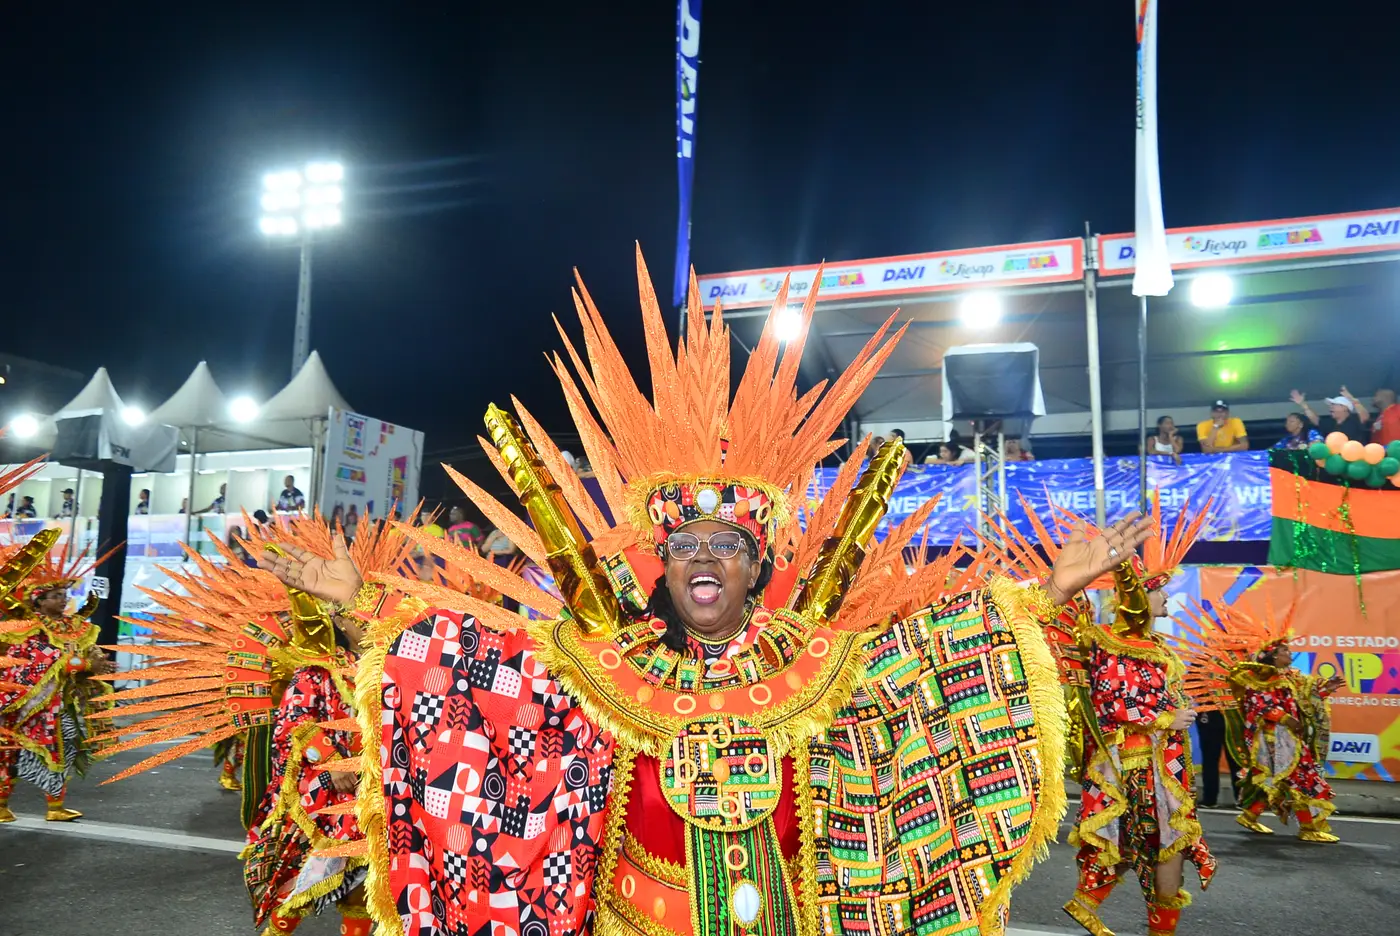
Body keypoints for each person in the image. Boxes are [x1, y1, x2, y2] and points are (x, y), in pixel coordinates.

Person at [258, 259, 1150, 936]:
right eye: (686, 545)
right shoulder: (610, 671)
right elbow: (486, 672)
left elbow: (934, 659)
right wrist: (364, 604)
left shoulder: (820, 664)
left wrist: (1046, 589)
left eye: (728, 544)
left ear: (757, 567)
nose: (706, 557)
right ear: (665, 566)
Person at [96, 516, 416, 936]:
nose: (366, 623)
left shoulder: (398, 670)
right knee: (309, 878)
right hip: (326, 790)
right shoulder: (319, 670)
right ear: (339, 621)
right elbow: (295, 720)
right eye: (354, 615)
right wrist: (332, 761)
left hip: (379, 792)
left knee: (365, 886)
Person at [1064, 499, 1216, 936]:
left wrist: (1174, 715)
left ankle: (1090, 904)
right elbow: (1113, 702)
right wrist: (1166, 717)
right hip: (1133, 762)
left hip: (1162, 763)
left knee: (1154, 843)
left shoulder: (1155, 646)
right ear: (1140, 597)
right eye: (1159, 590)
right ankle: (1099, 907)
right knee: (1159, 842)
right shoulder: (1114, 641)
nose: (1166, 596)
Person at [1173, 603, 1343, 843]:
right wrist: (1285, 718)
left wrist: (1325, 689)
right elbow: (1259, 706)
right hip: (1273, 738)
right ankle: (1308, 827)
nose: (1290, 654)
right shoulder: (1257, 678)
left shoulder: (1290, 676)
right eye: (1285, 650)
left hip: (1289, 737)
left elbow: (1306, 696)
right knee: (1299, 777)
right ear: (1273, 655)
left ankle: (1250, 815)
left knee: (1274, 778)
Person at [0, 548, 114, 823]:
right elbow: (37, 660)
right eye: (56, 596)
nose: (63, 600)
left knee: (63, 751)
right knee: (9, 753)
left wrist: (97, 661)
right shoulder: (27, 627)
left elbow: (83, 652)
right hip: (28, 705)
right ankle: (1, 805)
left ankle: (55, 807)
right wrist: (84, 664)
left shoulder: (73, 626)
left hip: (61, 702)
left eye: (64, 595)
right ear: (38, 602)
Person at [1291, 389, 1368, 442]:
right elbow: (1316, 420)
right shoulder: (1330, 423)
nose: (1331, 407)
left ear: (1344, 408)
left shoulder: (1354, 420)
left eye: (1334, 405)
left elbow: (1365, 416)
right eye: (1331, 405)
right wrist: (1303, 404)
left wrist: (1353, 400)